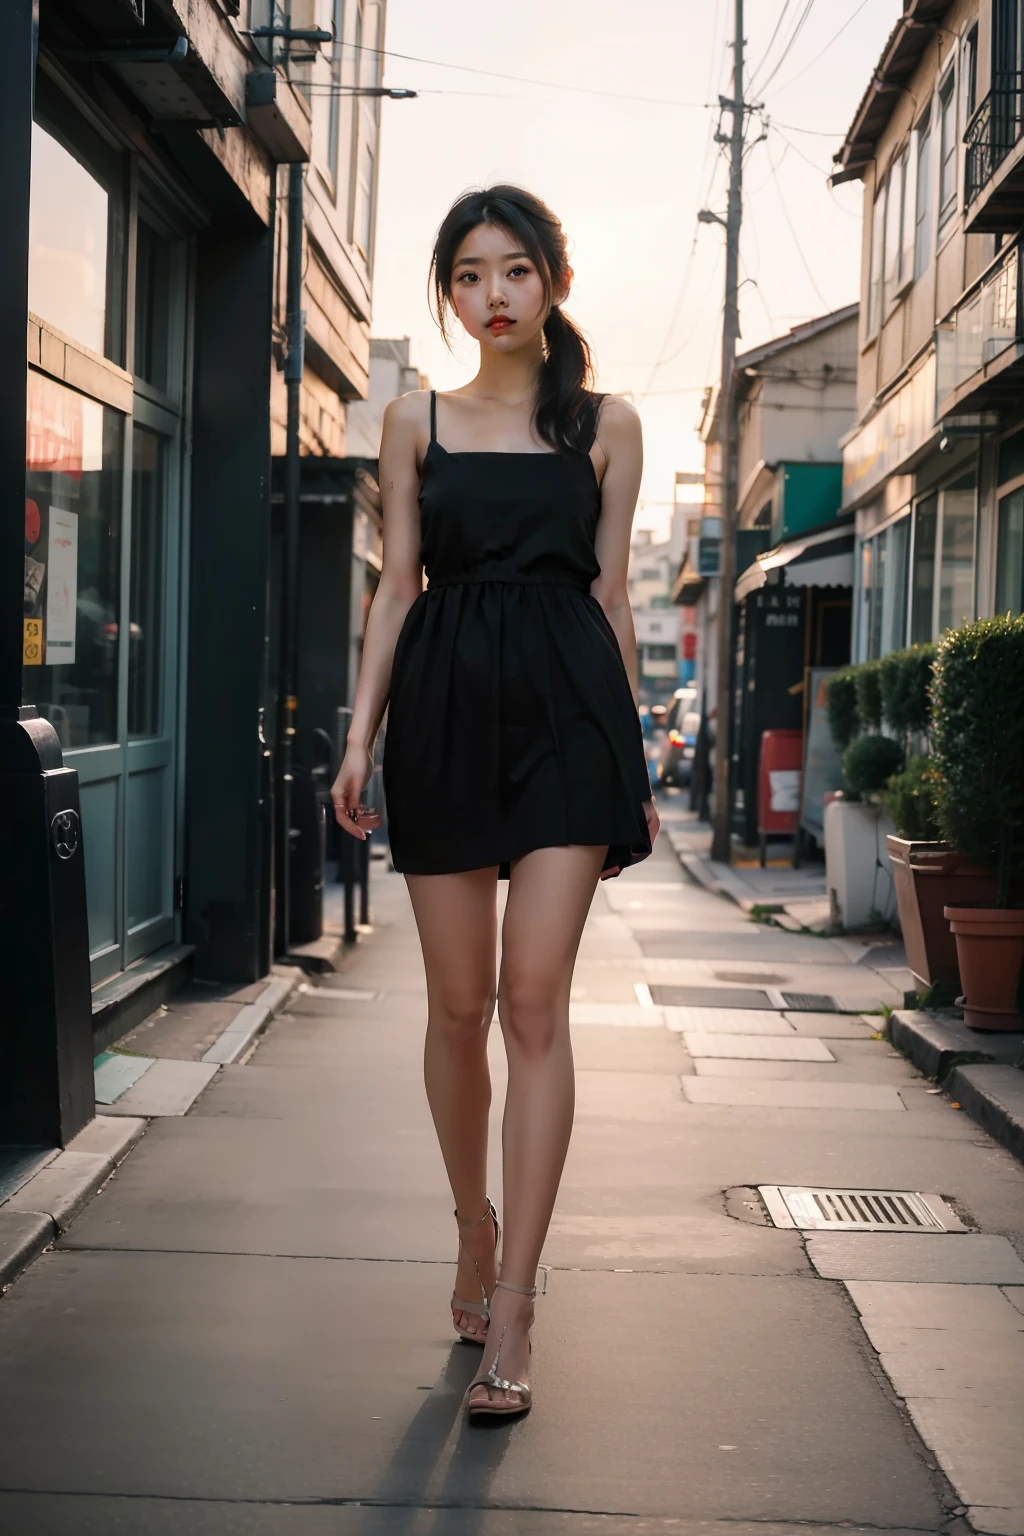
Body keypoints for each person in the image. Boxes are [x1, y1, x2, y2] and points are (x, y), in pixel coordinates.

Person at [330, 185, 660, 1421]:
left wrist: (628, 753)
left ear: (552, 281)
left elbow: (615, 596)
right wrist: (359, 739)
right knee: (458, 1007)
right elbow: (396, 589)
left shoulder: (610, 425)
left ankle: (515, 1300)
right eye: (468, 275)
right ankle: (472, 1226)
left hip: (570, 722)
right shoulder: (413, 419)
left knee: (533, 1005)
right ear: (449, 293)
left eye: (513, 271)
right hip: (447, 717)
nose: (492, 296)